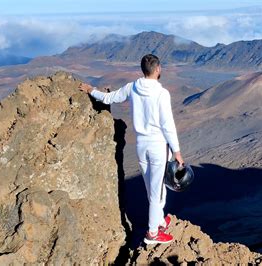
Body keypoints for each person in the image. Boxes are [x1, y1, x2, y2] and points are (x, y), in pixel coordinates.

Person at [78, 54, 184, 244]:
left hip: (141, 145)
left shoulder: (133, 87)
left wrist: (91, 90)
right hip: (158, 145)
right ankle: (153, 233)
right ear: (158, 69)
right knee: (157, 191)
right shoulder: (162, 94)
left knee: (153, 188)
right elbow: (167, 125)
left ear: (143, 69)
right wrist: (176, 151)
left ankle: (159, 220)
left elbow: (109, 98)